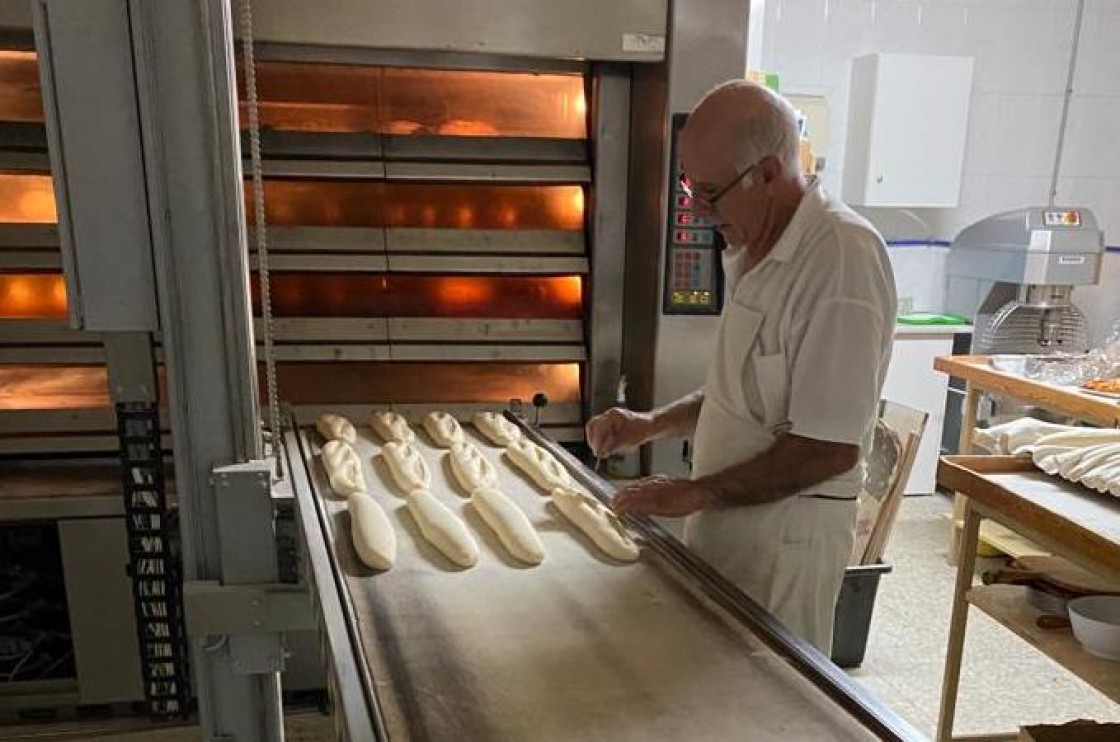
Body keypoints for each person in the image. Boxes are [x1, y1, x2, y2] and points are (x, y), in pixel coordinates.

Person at [587, 80, 896, 653]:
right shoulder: (757, 248)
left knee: (768, 704)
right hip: (727, 527)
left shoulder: (838, 262)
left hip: (784, 548)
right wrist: (648, 424)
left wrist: (694, 493)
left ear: (771, 173)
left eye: (711, 192)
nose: (699, 211)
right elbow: (742, 393)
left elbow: (828, 447)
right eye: (690, 189)